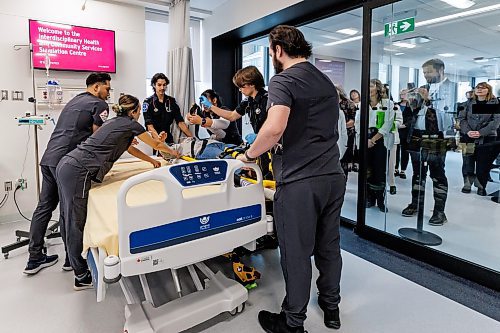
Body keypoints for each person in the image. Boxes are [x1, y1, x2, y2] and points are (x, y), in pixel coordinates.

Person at [237, 25, 345, 333]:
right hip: (332, 176)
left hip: (300, 181)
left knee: (296, 253)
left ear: (278, 50)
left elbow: (273, 129)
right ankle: (331, 305)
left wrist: (247, 155)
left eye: (271, 50)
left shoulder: (283, 80)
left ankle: (293, 322)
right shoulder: (324, 80)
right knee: (328, 245)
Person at [56, 94, 179, 290]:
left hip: (68, 165)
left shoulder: (116, 122)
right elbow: (155, 145)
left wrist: (152, 161)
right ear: (134, 111)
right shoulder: (131, 124)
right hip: (79, 170)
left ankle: (70, 261)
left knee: (67, 217)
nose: (140, 114)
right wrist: (175, 153)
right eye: (139, 110)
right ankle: (81, 275)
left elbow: (131, 149)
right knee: (74, 221)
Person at [23, 72, 112, 275]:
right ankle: (70, 261)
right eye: (107, 88)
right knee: (68, 212)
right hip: (66, 163)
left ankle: (34, 257)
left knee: (44, 207)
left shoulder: (75, 101)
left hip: (48, 158)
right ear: (97, 87)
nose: (108, 93)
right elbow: (98, 139)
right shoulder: (99, 105)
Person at [401, 58, 457, 226]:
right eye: (424, 72)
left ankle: (439, 211)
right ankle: (416, 203)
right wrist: (414, 102)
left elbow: (447, 114)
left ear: (440, 71)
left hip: (437, 137)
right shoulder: (422, 89)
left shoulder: (451, 88)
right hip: (417, 136)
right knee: (417, 173)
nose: (425, 75)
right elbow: (409, 114)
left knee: (437, 174)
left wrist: (428, 101)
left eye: (429, 72)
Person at [200, 66, 272, 179]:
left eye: (242, 86)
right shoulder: (248, 101)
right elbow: (232, 116)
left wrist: (260, 135)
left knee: (270, 175)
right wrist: (210, 107)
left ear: (252, 84)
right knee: (261, 175)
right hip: (259, 145)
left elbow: (276, 124)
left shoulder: (268, 99)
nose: (240, 90)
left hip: (271, 144)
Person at [355, 79, 396, 211]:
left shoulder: (388, 103)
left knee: (379, 170)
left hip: (380, 139)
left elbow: (388, 123)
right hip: (365, 138)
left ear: (378, 88)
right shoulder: (362, 104)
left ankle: (380, 200)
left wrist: (373, 140)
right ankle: (369, 198)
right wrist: (365, 140)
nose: (369, 88)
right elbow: (358, 122)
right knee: (367, 170)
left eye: (371, 86)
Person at [457, 82, 500, 195]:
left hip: (487, 139)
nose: (479, 89)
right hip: (468, 138)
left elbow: (495, 122)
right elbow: (461, 119)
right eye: (477, 87)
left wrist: (480, 132)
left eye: (483, 87)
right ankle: (467, 183)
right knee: (467, 162)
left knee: (483, 164)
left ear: (488, 90)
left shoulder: (495, 103)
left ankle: (481, 186)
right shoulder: (466, 103)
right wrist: (468, 131)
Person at [142, 73, 192, 150]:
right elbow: (149, 126)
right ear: (154, 85)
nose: (162, 87)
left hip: (167, 138)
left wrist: (192, 137)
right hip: (154, 140)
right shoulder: (148, 102)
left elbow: (180, 122)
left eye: (164, 85)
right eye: (159, 85)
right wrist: (159, 140)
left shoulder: (171, 101)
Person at [337, 86, 357, 178]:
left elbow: (352, 121)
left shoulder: (349, 104)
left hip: (347, 133)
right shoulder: (330, 103)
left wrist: (340, 127)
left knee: (345, 157)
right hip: (335, 134)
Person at [394, 89, 414, 180]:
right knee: (396, 150)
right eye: (401, 93)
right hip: (396, 129)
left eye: (404, 94)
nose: (402, 95)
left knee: (405, 151)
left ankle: (403, 170)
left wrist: (405, 125)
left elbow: (412, 119)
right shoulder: (396, 105)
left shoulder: (411, 106)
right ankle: (395, 168)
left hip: (406, 131)